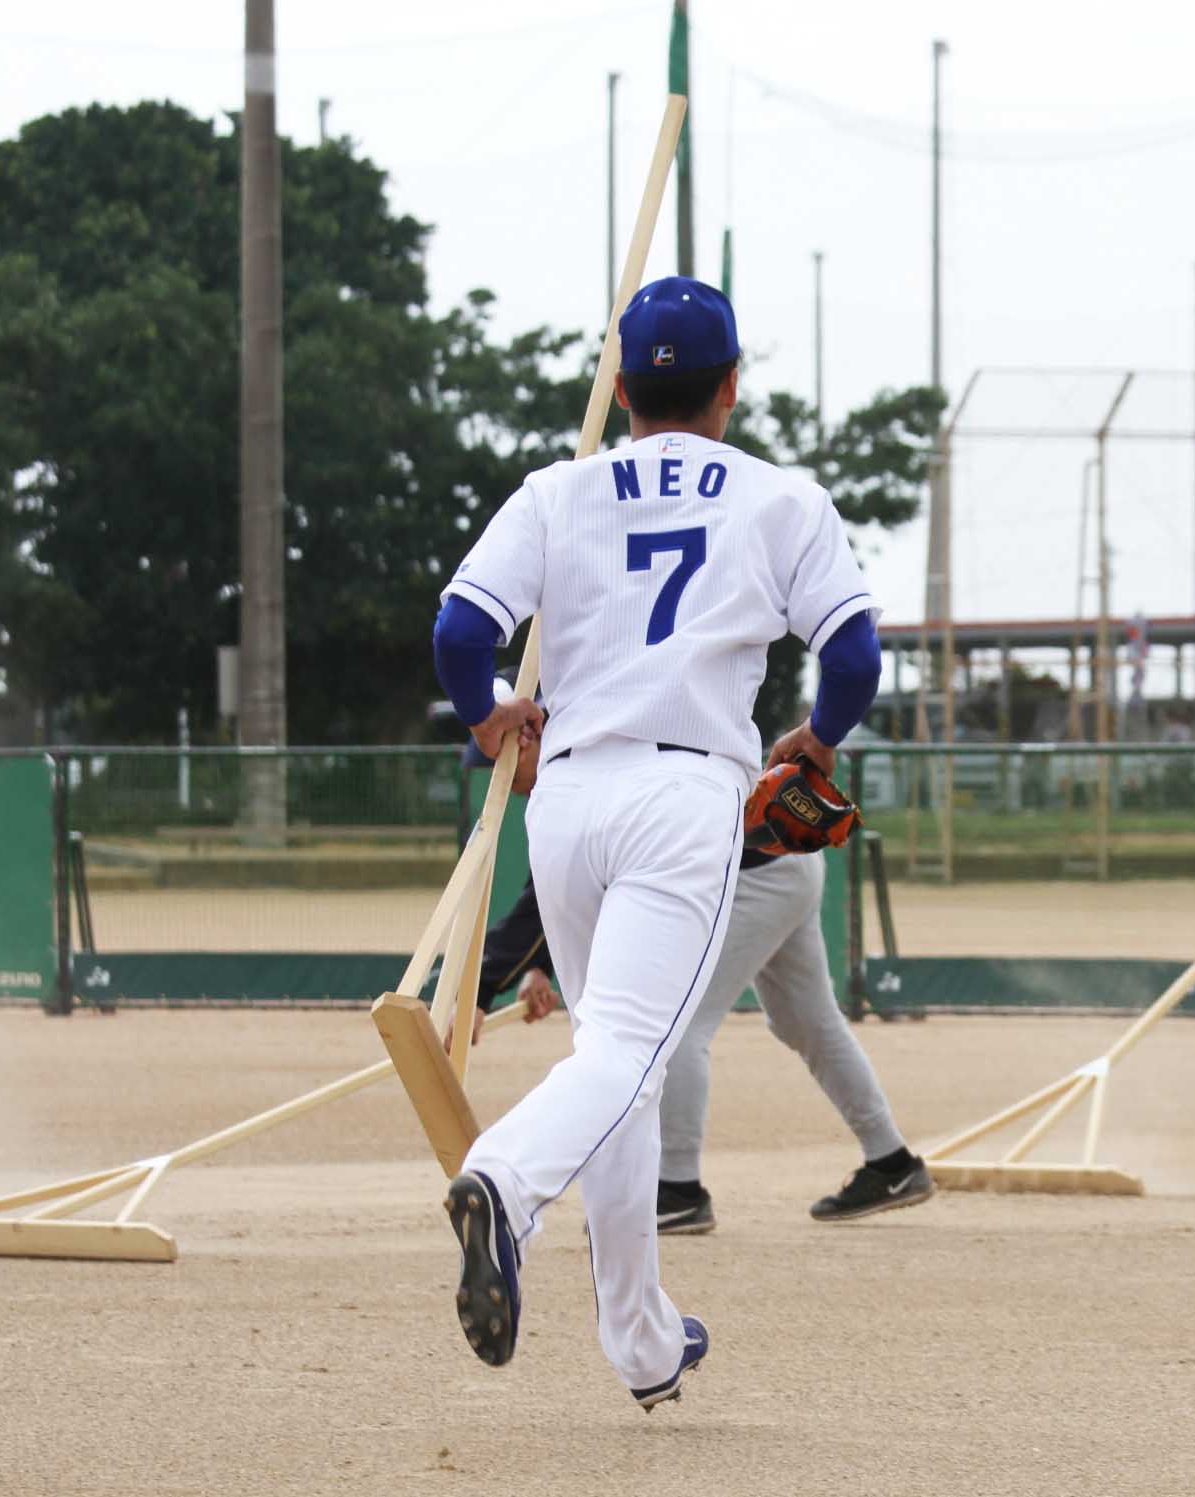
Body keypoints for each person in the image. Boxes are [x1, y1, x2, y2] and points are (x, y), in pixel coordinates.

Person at [428, 275, 882, 1409]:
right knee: (628, 1053)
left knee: (616, 1069)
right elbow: (856, 652)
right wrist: (817, 743)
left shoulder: (557, 492)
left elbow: (459, 630)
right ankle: (503, 1180)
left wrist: (488, 714)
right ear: (731, 388)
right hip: (685, 797)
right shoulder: (780, 501)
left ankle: (640, 1338)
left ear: (620, 387)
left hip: (568, 801)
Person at [462, 854, 933, 1233]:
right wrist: (539, 965)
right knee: (809, 1023)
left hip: (753, 873)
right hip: (784, 860)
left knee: (680, 1026)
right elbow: (566, 879)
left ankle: (678, 1190)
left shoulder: (585, 755)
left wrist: (479, 990)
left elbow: (567, 871)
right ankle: (891, 1162)